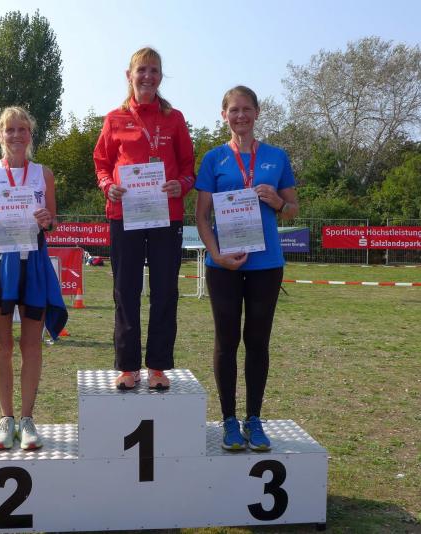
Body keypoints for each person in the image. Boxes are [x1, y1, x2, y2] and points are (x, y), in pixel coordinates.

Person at [195, 85, 299, 451]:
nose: (240, 116)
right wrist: (216, 254)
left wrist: (278, 202)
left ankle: (253, 418)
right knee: (226, 341)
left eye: (247, 109)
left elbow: (293, 209)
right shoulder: (213, 159)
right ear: (224, 115)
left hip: (266, 264)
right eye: (234, 110)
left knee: (257, 341)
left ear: (257, 112)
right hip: (223, 264)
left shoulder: (276, 156)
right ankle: (228, 419)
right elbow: (201, 216)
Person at [93, 47, 195, 390]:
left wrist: (181, 185)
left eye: (154, 70)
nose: (147, 76)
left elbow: (188, 166)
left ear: (160, 77)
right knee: (126, 290)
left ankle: (158, 367)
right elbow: (102, 163)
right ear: (129, 75)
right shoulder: (114, 119)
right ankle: (128, 367)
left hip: (167, 215)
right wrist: (108, 185)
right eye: (142, 70)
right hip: (125, 214)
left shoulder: (174, 118)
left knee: (165, 290)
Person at [0, 106, 67, 450]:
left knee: (31, 345)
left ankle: (27, 419)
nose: (16, 135)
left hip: (33, 261)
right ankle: (6, 418)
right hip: (0, 262)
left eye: (22, 129)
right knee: (2, 345)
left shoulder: (43, 174)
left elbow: (53, 220)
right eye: (9, 129)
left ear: (30, 135)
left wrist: (47, 220)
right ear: (0, 134)